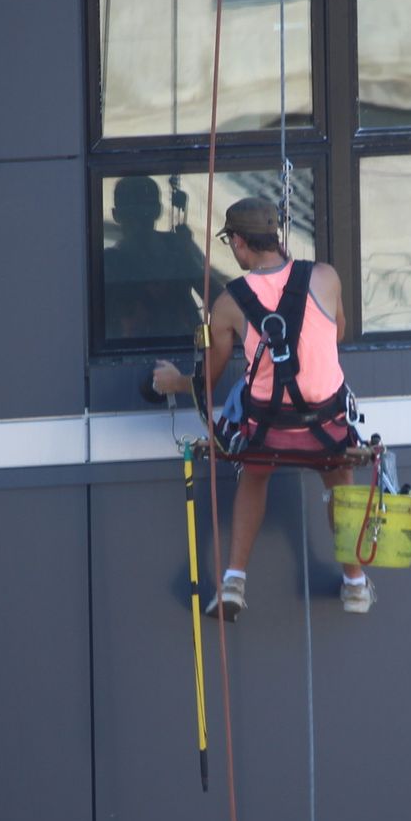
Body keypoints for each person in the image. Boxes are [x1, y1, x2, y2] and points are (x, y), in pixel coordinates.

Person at [152, 197, 373, 619]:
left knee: (254, 470)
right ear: (276, 236)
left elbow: (207, 383)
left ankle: (234, 578)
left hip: (268, 427)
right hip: (326, 423)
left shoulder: (228, 303)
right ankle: (356, 583)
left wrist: (173, 382)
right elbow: (337, 334)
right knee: (340, 478)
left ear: (238, 242)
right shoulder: (325, 277)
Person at [101, 175, 222, 340]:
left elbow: (220, 304)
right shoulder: (108, 263)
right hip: (133, 352)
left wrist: (187, 259)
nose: (137, 223)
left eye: (144, 213)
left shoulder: (179, 247)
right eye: (132, 214)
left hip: (191, 347)